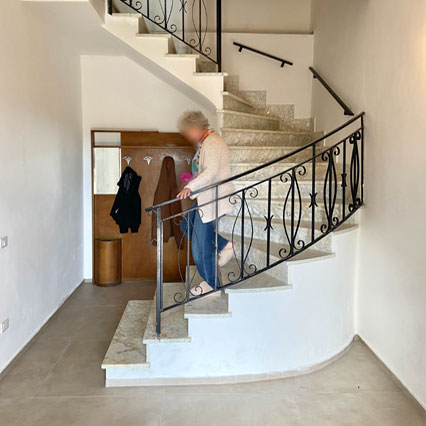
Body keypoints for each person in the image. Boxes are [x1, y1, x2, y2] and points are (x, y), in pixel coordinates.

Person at [176, 111, 235, 295]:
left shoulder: (213, 142)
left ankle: (211, 285)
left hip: (213, 199)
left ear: (196, 127)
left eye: (188, 131)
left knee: (201, 245)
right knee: (186, 225)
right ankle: (225, 245)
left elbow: (211, 171)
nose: (188, 135)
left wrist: (190, 187)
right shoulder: (206, 142)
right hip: (207, 198)